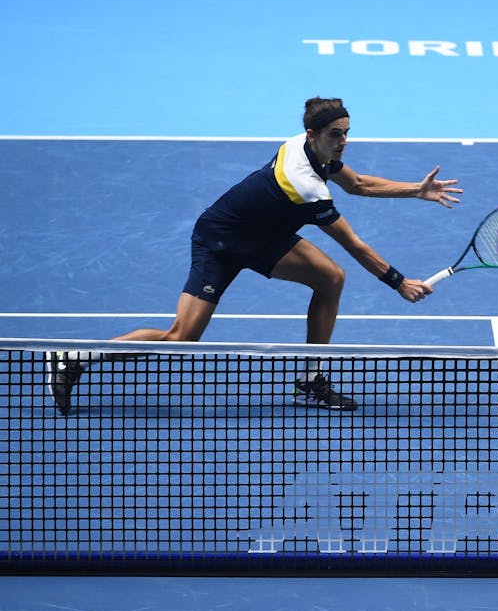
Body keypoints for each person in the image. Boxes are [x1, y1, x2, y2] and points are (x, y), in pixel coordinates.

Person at [46, 97, 462, 415]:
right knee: (182, 337)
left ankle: (309, 378)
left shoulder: (312, 150)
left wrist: (416, 189)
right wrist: (398, 282)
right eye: (337, 134)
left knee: (330, 279)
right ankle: (75, 358)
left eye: (347, 132)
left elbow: (360, 186)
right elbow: (354, 244)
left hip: (264, 236)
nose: (344, 140)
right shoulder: (306, 185)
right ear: (313, 135)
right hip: (220, 241)